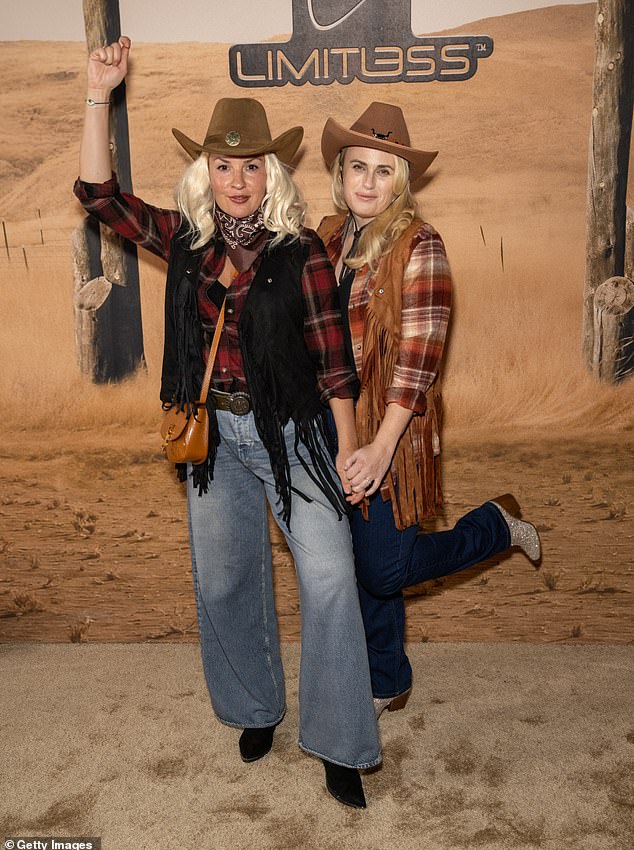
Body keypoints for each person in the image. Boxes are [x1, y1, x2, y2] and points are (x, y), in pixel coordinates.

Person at [74, 37, 381, 809]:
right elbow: (99, 196)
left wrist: (348, 450)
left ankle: (340, 741)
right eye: (222, 163)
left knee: (330, 575)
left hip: (295, 437)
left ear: (270, 173)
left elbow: (335, 360)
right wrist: (97, 93)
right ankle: (254, 709)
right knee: (226, 577)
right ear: (204, 170)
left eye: (250, 166)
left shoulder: (301, 249)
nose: (236, 180)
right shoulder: (184, 238)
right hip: (213, 437)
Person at [317, 102, 541, 717]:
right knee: (360, 560)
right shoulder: (329, 236)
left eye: (383, 170)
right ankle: (387, 678)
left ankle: (495, 524)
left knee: (385, 570)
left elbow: (419, 362)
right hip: (328, 427)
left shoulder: (422, 246)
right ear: (340, 173)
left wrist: (381, 448)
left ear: (402, 181)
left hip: (391, 434)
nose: (368, 181)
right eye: (357, 166)